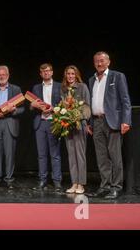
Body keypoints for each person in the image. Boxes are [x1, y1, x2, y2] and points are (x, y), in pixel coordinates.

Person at [87, 51, 132, 199]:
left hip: (112, 121)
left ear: (108, 62)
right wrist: (90, 123)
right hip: (97, 121)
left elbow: (125, 100)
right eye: (96, 61)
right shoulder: (91, 80)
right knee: (101, 157)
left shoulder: (117, 76)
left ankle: (116, 187)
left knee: (115, 156)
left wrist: (126, 121)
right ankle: (105, 186)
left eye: (102, 61)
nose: (99, 64)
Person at [0, 65, 25, 189]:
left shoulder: (16, 89)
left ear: (8, 76)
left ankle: (9, 179)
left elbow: (23, 109)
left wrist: (14, 110)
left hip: (10, 122)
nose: (1, 76)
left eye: (4, 74)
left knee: (9, 153)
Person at [30, 63, 63, 191]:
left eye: (48, 71)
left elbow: (64, 104)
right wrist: (33, 105)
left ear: (52, 72)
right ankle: (42, 180)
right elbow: (31, 107)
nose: (46, 73)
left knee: (55, 154)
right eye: (43, 71)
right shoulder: (36, 87)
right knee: (41, 154)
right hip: (40, 123)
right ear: (40, 74)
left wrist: (54, 109)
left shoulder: (59, 86)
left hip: (54, 122)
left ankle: (57, 181)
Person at [61, 65, 91, 194]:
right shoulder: (63, 89)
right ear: (65, 76)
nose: (70, 76)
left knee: (80, 155)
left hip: (80, 124)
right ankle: (74, 182)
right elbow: (61, 105)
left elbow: (87, 106)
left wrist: (78, 116)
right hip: (68, 125)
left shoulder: (82, 87)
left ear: (76, 75)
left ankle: (81, 184)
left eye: (73, 74)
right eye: (68, 74)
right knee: (71, 155)